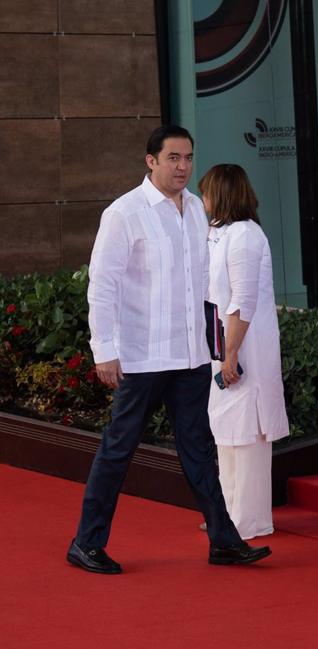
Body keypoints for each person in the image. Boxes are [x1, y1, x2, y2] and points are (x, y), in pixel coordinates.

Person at [67, 125, 270, 574]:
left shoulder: (197, 210)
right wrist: (105, 349)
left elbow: (201, 283)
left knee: (199, 448)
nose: (182, 166)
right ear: (151, 161)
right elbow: (103, 286)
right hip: (141, 356)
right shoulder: (124, 213)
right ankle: (86, 543)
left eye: (188, 158)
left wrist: (212, 344)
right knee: (118, 449)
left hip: (190, 356)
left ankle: (223, 540)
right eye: (173, 157)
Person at [199, 164, 289, 540]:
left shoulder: (247, 236)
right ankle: (227, 512)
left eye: (205, 192)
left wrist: (231, 353)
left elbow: (243, 301)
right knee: (226, 430)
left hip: (243, 342)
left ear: (220, 193)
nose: (201, 200)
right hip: (221, 342)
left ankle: (248, 519)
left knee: (247, 432)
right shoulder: (218, 233)